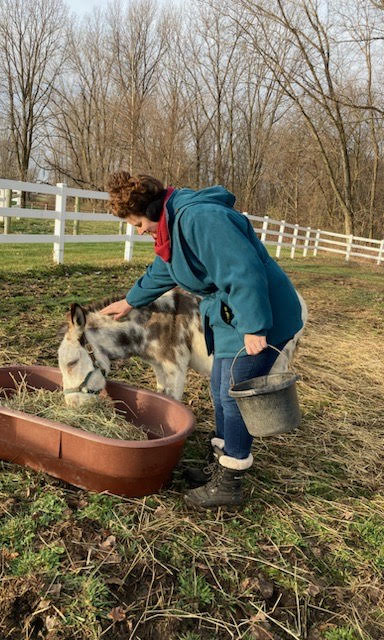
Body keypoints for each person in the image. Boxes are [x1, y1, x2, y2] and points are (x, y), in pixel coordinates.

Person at [100, 172, 303, 509]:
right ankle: (219, 464)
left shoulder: (200, 219)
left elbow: (243, 271)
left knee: (235, 393)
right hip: (228, 314)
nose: (139, 231)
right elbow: (165, 271)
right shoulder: (175, 226)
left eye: (138, 223)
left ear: (152, 209)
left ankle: (230, 482)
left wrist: (255, 326)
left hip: (259, 311)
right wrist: (131, 300)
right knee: (220, 389)